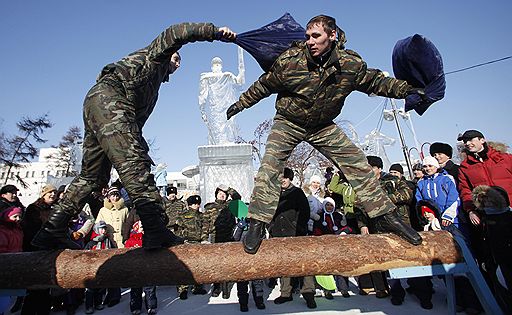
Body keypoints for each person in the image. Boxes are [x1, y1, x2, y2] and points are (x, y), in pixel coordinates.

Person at [226, 14, 423, 254]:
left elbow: (375, 83)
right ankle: (257, 223)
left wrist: (411, 90)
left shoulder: (350, 65)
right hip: (289, 121)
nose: (309, 41)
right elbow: (265, 85)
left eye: (316, 36)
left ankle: (384, 216)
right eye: (307, 36)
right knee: (270, 165)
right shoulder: (291, 61)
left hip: (322, 125)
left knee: (357, 162)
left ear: (332, 36)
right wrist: (240, 104)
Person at [31, 22, 236, 250]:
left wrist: (136, 143)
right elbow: (176, 33)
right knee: (134, 166)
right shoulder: (155, 56)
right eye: (176, 58)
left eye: (180, 62)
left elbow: (133, 126)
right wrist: (214, 32)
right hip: (109, 99)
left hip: (99, 104)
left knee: (93, 178)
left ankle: (52, 230)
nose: (178, 64)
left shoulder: (153, 86)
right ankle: (155, 230)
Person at [269, 168, 317, 309]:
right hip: (279, 234)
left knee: (303, 263)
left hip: (296, 233)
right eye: (281, 178)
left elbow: (305, 211)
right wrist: (271, 228)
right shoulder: (274, 193)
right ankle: (285, 293)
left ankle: (308, 293)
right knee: (284, 264)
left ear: (290, 179)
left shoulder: (297, 192)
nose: (283, 180)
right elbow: (269, 213)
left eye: (285, 177)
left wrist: (299, 227)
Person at [199, 48, 245, 145]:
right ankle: (219, 144)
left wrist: (241, 66)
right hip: (214, 108)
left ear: (221, 66)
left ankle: (227, 142)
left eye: (218, 64)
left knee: (228, 126)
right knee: (216, 128)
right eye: (214, 65)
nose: (217, 66)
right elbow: (202, 95)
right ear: (211, 67)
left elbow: (240, 84)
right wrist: (202, 110)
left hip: (227, 106)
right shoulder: (206, 77)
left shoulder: (227, 76)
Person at [312, 197, 352, 299]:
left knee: (340, 266)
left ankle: (343, 288)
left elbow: (347, 228)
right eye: (327, 205)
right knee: (326, 267)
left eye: (331, 205)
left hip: (337, 245)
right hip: (324, 245)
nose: (329, 207)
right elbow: (316, 230)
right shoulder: (319, 217)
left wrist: (343, 232)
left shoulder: (338, 216)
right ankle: (327, 290)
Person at [174, 195, 208, 300]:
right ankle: (182, 289)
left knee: (198, 266)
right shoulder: (182, 215)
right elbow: (178, 229)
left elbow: (205, 228)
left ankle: (197, 287)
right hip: (186, 243)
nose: (196, 206)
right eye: (194, 204)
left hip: (198, 243)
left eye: (198, 204)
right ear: (189, 205)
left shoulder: (202, 216)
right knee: (185, 267)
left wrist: (204, 239)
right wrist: (181, 240)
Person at [124, 220, 158, 315]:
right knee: (135, 289)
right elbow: (126, 254)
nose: (143, 230)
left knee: (150, 288)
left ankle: (151, 306)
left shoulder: (149, 238)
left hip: (148, 267)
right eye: (142, 228)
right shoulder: (131, 241)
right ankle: (135, 307)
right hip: (135, 268)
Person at [0, 206, 24, 315]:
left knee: (8, 298)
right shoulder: (2, 231)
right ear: (7, 217)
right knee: (3, 298)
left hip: (15, 263)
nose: (18, 219)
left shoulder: (17, 229)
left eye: (19, 216)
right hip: (6, 264)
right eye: (15, 216)